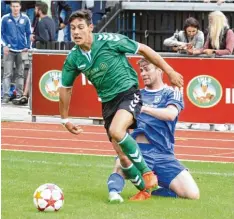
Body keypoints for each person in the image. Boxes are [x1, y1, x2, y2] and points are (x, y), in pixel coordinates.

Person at [59, 9, 183, 200]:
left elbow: (144, 49)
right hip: (108, 103)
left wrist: (170, 71)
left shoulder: (109, 40)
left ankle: (148, 173)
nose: (76, 32)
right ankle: (146, 190)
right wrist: (65, 119)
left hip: (128, 93)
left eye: (81, 27)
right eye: (73, 28)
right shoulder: (74, 58)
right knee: (122, 156)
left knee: (117, 131)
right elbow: (65, 88)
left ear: (90, 28)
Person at [107, 58, 200, 203]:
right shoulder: (135, 95)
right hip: (139, 149)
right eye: (141, 70)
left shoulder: (171, 93)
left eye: (147, 69)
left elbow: (170, 114)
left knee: (192, 194)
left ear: (159, 70)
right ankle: (114, 194)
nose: (143, 74)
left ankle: (152, 189)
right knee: (121, 165)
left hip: (164, 153)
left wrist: (143, 108)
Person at [1, 0, 32, 104]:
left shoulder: (26, 18)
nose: (15, 8)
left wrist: (28, 46)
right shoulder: (5, 18)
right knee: (7, 74)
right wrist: (4, 45)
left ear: (20, 7)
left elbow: (28, 33)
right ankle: (5, 95)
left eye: (17, 6)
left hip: (21, 50)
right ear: (10, 7)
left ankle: (19, 95)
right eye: (13, 6)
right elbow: (1, 33)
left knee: (20, 74)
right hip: (9, 50)